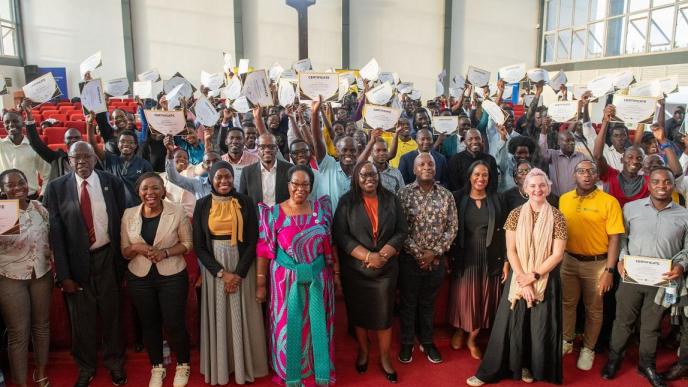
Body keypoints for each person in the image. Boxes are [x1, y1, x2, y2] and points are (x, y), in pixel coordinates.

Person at [467, 168, 568, 386]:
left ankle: (529, 367)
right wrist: (523, 277)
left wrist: (534, 276)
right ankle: (493, 370)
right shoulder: (515, 214)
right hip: (518, 277)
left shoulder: (558, 216)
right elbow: (510, 250)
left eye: (542, 185)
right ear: (525, 189)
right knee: (509, 324)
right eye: (532, 186)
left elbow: (557, 254)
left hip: (545, 279)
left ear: (548, 188)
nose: (537, 189)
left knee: (539, 326)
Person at [43, 142, 127, 387]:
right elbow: (55, 235)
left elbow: (122, 221)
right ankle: (86, 367)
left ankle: (115, 364)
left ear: (94, 159)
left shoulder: (113, 182)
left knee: (112, 315)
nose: (81, 161)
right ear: (69, 161)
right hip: (76, 264)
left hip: (107, 258)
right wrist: (64, 274)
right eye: (75, 157)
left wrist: (121, 264)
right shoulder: (56, 188)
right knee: (82, 320)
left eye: (86, 156)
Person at [601, 167, 688, 387]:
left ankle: (646, 364)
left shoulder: (684, 214)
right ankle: (614, 358)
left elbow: (687, 248)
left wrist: (681, 265)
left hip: (663, 280)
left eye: (666, 182)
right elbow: (621, 239)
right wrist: (621, 259)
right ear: (649, 184)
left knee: (652, 325)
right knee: (623, 321)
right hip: (632, 276)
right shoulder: (630, 209)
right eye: (656, 182)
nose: (661, 186)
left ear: (673, 185)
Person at [256, 165, 338, 386]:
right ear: (288, 185)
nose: (300, 189)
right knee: (287, 324)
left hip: (318, 278)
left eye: (305, 184)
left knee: (316, 323)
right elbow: (264, 250)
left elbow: (328, 246)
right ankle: (289, 371)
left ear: (311, 186)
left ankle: (318, 370)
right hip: (285, 281)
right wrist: (261, 283)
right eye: (296, 184)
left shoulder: (322, 210)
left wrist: (336, 273)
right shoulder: (272, 213)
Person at [192, 161, 269, 385]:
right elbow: (199, 245)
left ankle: (246, 365)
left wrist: (238, 273)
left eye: (227, 177)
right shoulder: (202, 205)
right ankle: (222, 367)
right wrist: (221, 273)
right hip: (214, 266)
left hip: (242, 263)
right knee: (219, 314)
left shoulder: (245, 202)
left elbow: (254, 238)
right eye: (219, 178)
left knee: (242, 312)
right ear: (212, 180)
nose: (224, 181)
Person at [333, 161, 408, 383]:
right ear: (356, 177)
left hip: (385, 270)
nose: (369, 178)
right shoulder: (346, 202)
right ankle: (364, 352)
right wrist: (367, 256)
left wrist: (383, 254)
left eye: (373, 174)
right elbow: (341, 235)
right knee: (359, 315)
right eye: (364, 174)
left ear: (379, 176)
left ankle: (385, 358)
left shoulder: (391, 199)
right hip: (356, 270)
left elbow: (402, 230)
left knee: (384, 317)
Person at [120, 173, 193, 387]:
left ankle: (183, 364)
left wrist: (166, 253)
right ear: (138, 192)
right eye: (145, 189)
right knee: (149, 323)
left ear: (163, 191)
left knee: (174, 322)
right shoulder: (128, 214)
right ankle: (157, 366)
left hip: (172, 275)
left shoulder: (177, 211)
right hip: (139, 277)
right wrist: (136, 247)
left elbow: (188, 244)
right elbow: (125, 251)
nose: (150, 193)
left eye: (155, 188)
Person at [559, 160, 624, 371]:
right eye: (581, 171)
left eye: (591, 171)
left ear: (597, 176)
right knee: (567, 303)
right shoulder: (564, 199)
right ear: (574, 175)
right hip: (568, 260)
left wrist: (610, 270)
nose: (586, 175)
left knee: (594, 309)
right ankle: (566, 340)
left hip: (597, 264)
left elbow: (615, 238)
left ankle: (588, 348)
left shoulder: (609, 201)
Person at [397, 153, 458, 365]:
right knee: (408, 303)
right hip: (409, 260)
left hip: (436, 261)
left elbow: (452, 228)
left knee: (428, 303)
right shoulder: (403, 194)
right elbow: (400, 229)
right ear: (413, 170)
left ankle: (427, 341)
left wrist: (434, 253)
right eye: (421, 164)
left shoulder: (446, 195)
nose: (426, 167)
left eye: (430, 164)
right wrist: (418, 254)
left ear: (436, 167)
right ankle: (406, 342)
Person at [448, 160, 509, 360]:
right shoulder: (457, 198)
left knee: (484, 298)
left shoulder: (498, 199)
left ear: (490, 178)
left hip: (491, 255)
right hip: (465, 255)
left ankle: (472, 338)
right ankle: (460, 329)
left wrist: (506, 261)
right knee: (463, 297)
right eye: (476, 174)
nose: (480, 179)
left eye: (485, 175)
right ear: (469, 176)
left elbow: (507, 233)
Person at [0, 169, 51, 387]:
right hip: (12, 278)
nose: (17, 188)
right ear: (2, 189)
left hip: (41, 274)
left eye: (20, 182)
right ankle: (21, 383)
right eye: (10, 185)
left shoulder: (39, 208)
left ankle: (40, 374)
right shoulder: (3, 212)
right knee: (19, 333)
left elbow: (48, 239)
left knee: (41, 327)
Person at [87, 112, 153, 207]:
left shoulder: (144, 164)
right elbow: (92, 146)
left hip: (136, 210)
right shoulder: (110, 160)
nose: (126, 144)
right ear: (118, 145)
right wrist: (89, 124)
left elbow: (149, 189)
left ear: (135, 145)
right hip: (113, 209)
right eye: (122, 141)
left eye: (130, 142)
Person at [20, 98, 82, 181]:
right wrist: (29, 115)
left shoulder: (90, 156)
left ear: (82, 140)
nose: (73, 140)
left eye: (76, 137)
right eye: (69, 138)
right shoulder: (57, 158)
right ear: (64, 141)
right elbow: (36, 144)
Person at [311, 97, 355, 210]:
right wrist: (315, 113)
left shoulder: (360, 174)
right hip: (327, 225)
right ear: (337, 151)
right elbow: (317, 140)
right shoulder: (328, 165)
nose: (348, 153)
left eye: (352, 150)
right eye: (344, 150)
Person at [0, 108, 52, 199]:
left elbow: (47, 173)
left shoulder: (34, 146)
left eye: (15, 121)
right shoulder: (1, 145)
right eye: (7, 122)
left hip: (30, 197)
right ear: (3, 125)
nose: (11, 124)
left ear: (23, 123)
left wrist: (43, 195)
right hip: (5, 199)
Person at [239, 133, 292, 207]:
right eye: (262, 147)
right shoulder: (247, 172)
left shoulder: (289, 170)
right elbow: (242, 200)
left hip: (283, 217)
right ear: (258, 149)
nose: (267, 150)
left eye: (271, 146)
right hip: (257, 217)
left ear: (277, 149)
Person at [539, 121, 588, 197]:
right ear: (559, 142)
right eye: (568, 140)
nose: (571, 143)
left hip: (576, 199)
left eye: (573, 140)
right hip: (556, 199)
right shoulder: (552, 154)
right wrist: (543, 132)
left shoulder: (581, 157)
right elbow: (542, 151)